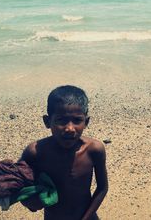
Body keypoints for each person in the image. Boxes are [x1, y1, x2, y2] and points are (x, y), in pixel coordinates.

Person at [20, 85, 108, 220]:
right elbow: (24, 192)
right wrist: (31, 203)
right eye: (61, 120)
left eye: (78, 120)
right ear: (47, 121)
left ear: (86, 122)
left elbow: (102, 188)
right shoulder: (36, 153)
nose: (70, 128)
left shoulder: (94, 150)